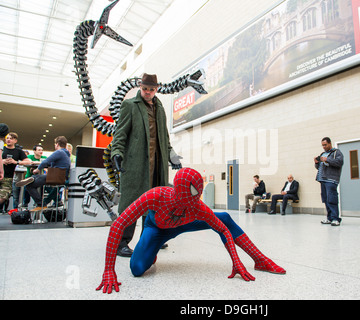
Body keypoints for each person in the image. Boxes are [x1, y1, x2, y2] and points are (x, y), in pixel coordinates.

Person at [96, 167, 286, 294]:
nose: (195, 199)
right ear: (177, 191)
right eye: (191, 195)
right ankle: (151, 251)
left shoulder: (196, 206)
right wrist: (108, 271)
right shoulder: (155, 196)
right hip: (157, 229)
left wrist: (236, 261)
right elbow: (119, 224)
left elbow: (224, 230)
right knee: (137, 269)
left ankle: (260, 260)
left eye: (198, 194)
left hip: (186, 223)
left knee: (225, 218)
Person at [111, 73, 182, 257]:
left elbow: (164, 137)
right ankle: (121, 243)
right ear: (139, 87)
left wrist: (172, 156)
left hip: (156, 164)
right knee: (131, 204)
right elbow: (120, 134)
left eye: (151, 89)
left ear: (156, 89)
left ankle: (150, 239)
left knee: (155, 204)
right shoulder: (129, 105)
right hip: (136, 164)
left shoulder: (159, 108)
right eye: (145, 89)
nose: (148, 92)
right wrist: (116, 153)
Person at [16, 136, 71, 213]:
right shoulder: (66, 154)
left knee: (29, 185)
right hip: (61, 177)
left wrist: (37, 170)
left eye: (55, 144)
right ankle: (33, 178)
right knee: (38, 179)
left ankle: (40, 204)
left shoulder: (59, 152)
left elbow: (46, 161)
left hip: (55, 177)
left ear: (57, 144)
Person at [315, 137, 344, 226]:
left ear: (330, 143)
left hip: (331, 180)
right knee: (326, 199)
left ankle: (336, 218)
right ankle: (329, 218)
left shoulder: (336, 152)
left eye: (325, 145)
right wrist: (316, 162)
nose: (324, 147)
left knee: (332, 199)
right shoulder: (323, 154)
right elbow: (319, 167)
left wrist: (327, 159)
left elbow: (339, 162)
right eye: (322, 145)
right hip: (322, 180)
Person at [0, 132, 31, 210]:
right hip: (0, 174)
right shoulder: (1, 149)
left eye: (11, 138)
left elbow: (28, 161)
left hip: (8, 177)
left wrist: (16, 162)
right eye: (7, 138)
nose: (9, 140)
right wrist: (1, 161)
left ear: (15, 141)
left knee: (5, 195)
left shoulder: (18, 151)